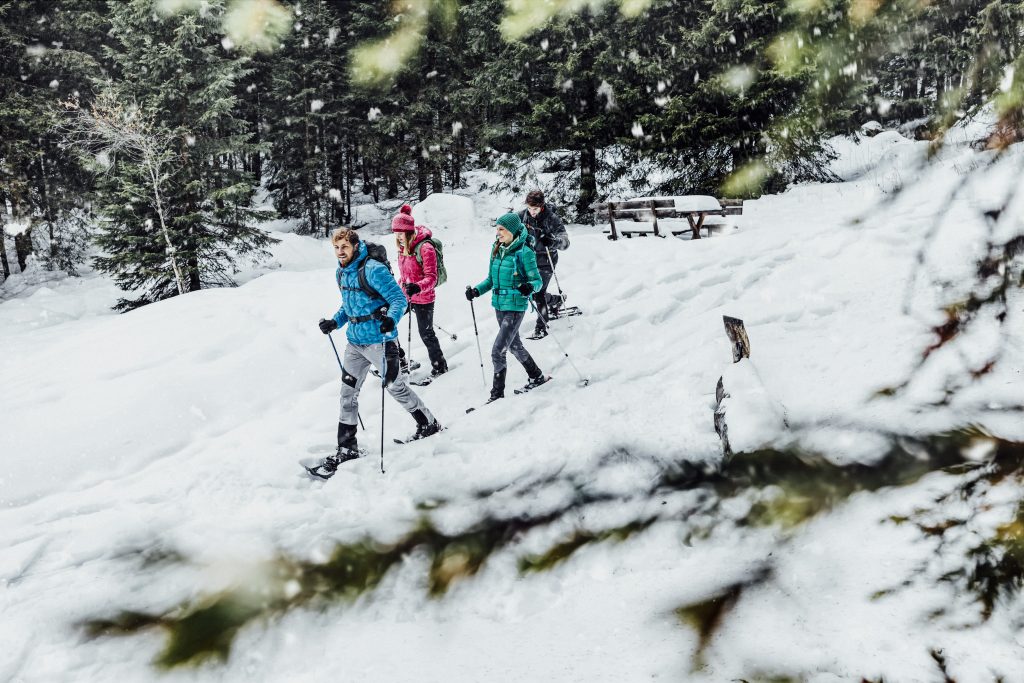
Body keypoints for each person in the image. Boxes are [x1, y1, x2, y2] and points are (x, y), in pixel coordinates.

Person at [317, 228, 441, 474]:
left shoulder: (374, 270)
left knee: (396, 387)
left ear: (355, 246)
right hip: (354, 343)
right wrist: (335, 322)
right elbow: (349, 304)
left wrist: (391, 320)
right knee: (347, 395)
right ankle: (347, 448)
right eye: (336, 248)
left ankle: (428, 423)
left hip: (379, 341)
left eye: (344, 247)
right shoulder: (340, 272)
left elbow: (399, 299)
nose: (340, 252)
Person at [465, 212, 549, 403]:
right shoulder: (496, 249)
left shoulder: (524, 253)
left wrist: (530, 287)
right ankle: (536, 375)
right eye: (497, 229)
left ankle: (497, 395)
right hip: (499, 306)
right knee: (514, 345)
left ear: (511, 230)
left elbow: (536, 281)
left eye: (502, 229)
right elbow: (491, 280)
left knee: (498, 350)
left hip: (515, 307)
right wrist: (476, 291)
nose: (498, 233)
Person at [392, 204, 448, 377]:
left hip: (424, 297)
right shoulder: (402, 247)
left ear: (409, 232)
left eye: (400, 234)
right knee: (387, 322)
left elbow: (432, 277)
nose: (398, 237)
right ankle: (400, 360)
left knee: (426, 333)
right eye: (396, 234)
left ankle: (440, 367)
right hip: (405, 295)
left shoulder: (425, 248)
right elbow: (404, 274)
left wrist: (418, 286)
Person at [518, 189, 570, 338]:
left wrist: (553, 242)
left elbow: (566, 242)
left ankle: (541, 327)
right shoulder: (522, 216)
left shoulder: (551, 218)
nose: (531, 212)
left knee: (538, 292)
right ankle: (556, 300)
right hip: (529, 260)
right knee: (533, 292)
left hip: (546, 260)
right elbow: (509, 226)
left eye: (535, 209)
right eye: (529, 208)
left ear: (541, 206)